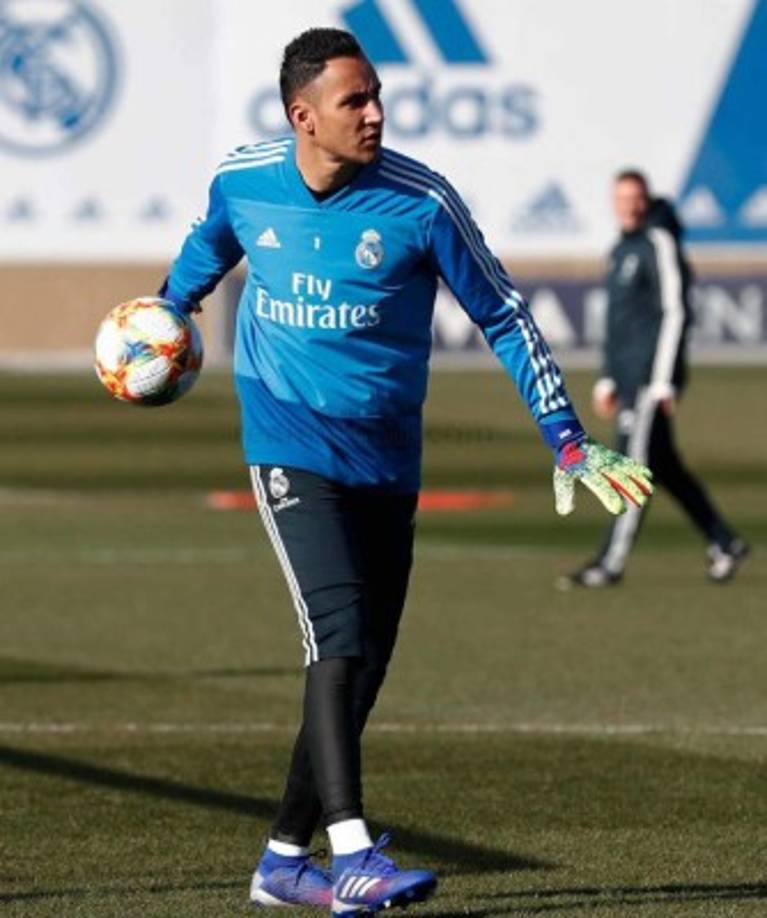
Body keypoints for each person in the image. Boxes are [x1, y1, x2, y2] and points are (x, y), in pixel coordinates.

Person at [159, 29, 651, 915]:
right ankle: (350, 850)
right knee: (337, 636)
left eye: (379, 94)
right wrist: (164, 315)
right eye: (355, 101)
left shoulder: (420, 202)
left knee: (366, 662)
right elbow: (204, 252)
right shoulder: (244, 179)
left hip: (387, 458)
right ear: (302, 117)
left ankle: (280, 861)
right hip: (288, 443)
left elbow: (502, 312)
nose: (377, 112)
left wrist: (566, 438)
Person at [561, 170, 748, 589]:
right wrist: (608, 377)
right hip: (627, 378)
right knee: (664, 466)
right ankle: (724, 541)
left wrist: (663, 381)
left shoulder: (657, 243)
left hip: (649, 381)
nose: (628, 205)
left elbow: (675, 312)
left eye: (635, 197)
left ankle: (610, 563)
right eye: (621, 197)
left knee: (632, 467)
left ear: (646, 200)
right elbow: (618, 322)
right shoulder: (621, 249)